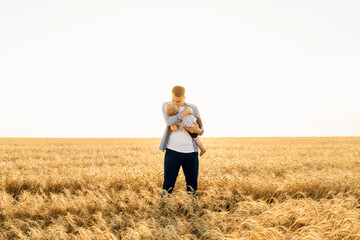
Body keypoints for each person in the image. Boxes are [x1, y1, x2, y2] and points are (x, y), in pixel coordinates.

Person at [159, 85, 205, 197]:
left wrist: (197, 130)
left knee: (192, 187)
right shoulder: (166, 105)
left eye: (178, 101)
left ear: (184, 97)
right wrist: (184, 113)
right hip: (173, 151)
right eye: (173, 100)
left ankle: (193, 211)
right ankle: (163, 211)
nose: (175, 103)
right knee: (168, 186)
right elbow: (169, 121)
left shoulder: (193, 107)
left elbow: (201, 128)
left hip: (191, 152)